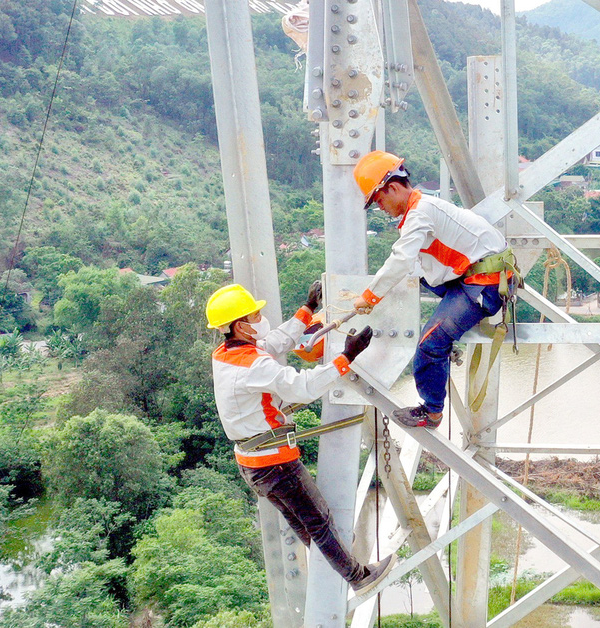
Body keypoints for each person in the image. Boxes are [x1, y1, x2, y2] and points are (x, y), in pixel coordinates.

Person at [206, 281, 393, 594]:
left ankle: (334, 561)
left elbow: (276, 342)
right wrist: (345, 358)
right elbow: (303, 386)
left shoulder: (227, 354)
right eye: (254, 316)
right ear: (240, 325)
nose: (259, 319)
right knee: (319, 521)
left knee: (304, 523)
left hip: (253, 464)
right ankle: (358, 577)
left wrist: (308, 309)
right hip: (275, 464)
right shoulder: (253, 365)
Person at [351, 150, 514, 429]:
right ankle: (444, 339)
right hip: (475, 276)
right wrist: (382, 288)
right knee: (415, 277)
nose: (381, 207)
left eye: (380, 200)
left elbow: (401, 259)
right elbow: (416, 265)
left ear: (392, 188)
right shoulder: (423, 209)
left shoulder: (420, 214)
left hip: (484, 285)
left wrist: (370, 296)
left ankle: (432, 412)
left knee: (429, 344)